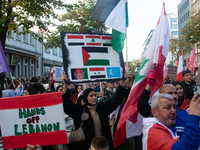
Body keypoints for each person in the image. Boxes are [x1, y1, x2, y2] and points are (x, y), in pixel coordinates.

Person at [62, 71, 129, 150]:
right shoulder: (79, 110)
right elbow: (67, 106)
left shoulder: (102, 108)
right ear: (85, 98)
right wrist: (65, 87)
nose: (94, 98)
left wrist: (122, 83)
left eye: (95, 95)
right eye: (91, 96)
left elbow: (116, 100)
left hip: (103, 146)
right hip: (87, 146)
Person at [137, 70, 188, 137]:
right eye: (170, 93)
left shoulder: (184, 114)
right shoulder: (157, 112)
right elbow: (142, 107)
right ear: (161, 95)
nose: (174, 96)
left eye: (175, 93)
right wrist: (148, 86)